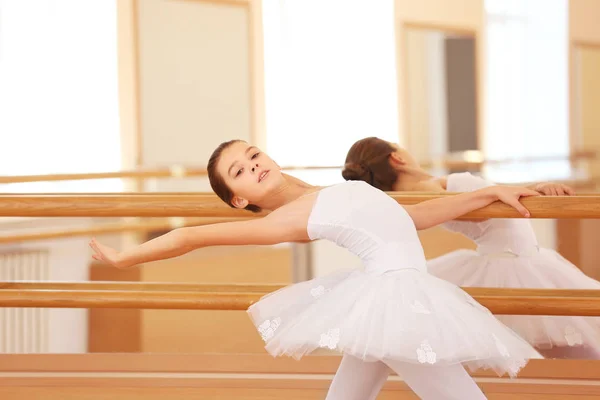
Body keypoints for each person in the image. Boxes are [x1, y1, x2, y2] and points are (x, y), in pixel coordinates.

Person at [90, 139, 542, 399]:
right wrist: (124, 258)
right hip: (396, 296)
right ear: (239, 199)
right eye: (240, 171)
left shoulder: (325, 191)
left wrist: (491, 193)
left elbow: (414, 217)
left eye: (253, 155)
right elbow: (190, 236)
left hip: (389, 298)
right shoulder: (285, 219)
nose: (254, 165)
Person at [343, 136, 600, 359]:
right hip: (514, 265)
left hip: (519, 261)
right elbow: (478, 210)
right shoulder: (429, 190)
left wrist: (538, 188)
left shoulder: (425, 191)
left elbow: (500, 194)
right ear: (397, 158)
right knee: (578, 346)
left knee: (568, 345)